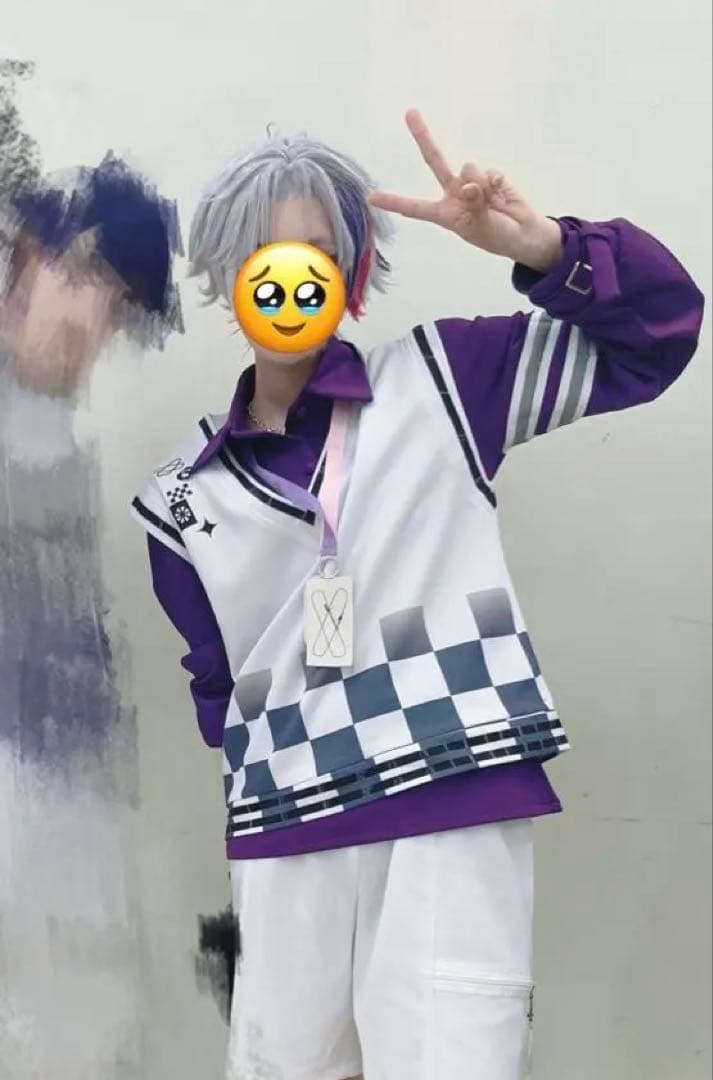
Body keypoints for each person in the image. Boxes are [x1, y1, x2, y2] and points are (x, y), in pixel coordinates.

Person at [132, 110, 704, 1080]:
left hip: (450, 796)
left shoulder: (447, 380)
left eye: (318, 253)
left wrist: (544, 248)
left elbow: (657, 337)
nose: (290, 275)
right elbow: (215, 689)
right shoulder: (179, 498)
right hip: (286, 833)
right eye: (263, 253)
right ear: (227, 277)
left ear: (352, 273)